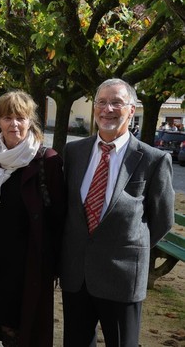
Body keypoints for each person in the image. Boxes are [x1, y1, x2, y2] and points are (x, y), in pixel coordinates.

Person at [60, 79, 174, 347]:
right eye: (101, 102)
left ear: (131, 110)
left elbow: (162, 220)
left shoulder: (153, 159)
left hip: (122, 277)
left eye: (116, 103)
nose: (107, 109)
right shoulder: (74, 152)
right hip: (77, 275)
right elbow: (69, 208)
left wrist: (127, 247)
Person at [0, 91, 66, 346]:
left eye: (20, 118)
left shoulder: (47, 160)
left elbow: (57, 217)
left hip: (24, 264)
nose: (14, 124)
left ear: (30, 121)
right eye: (8, 117)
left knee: (18, 329)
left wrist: (52, 265)